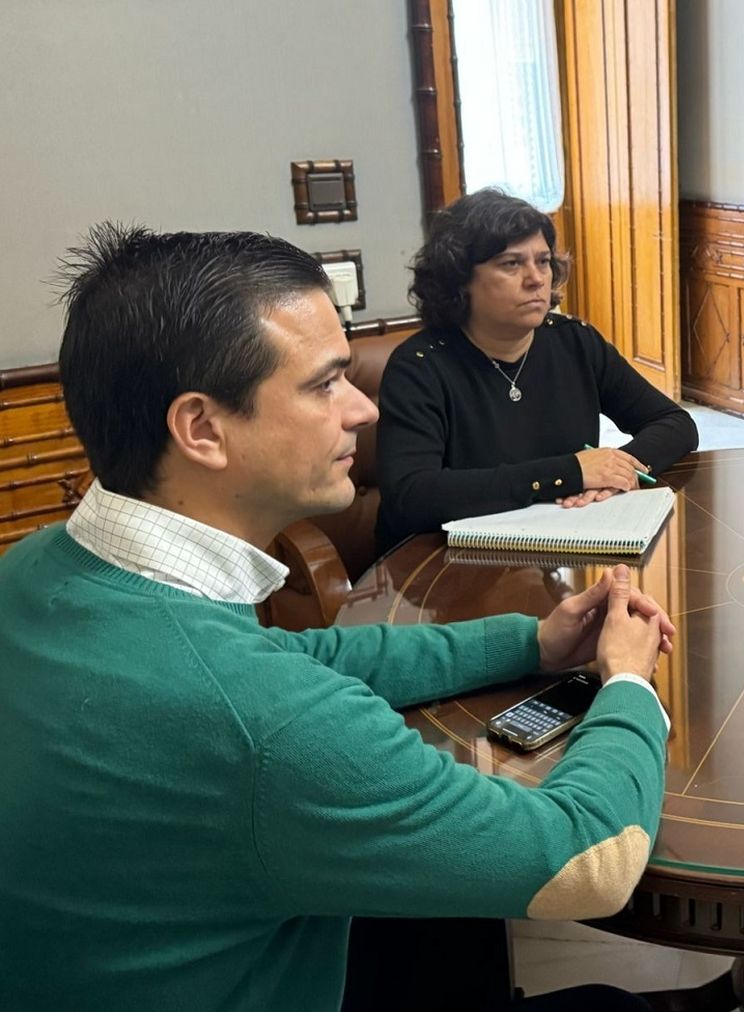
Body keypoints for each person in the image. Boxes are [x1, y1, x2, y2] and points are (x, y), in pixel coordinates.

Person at [0, 225, 676, 1012]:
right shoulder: (270, 723)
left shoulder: (34, 566)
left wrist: (533, 640)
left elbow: (290, 657)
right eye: (326, 384)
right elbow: (590, 862)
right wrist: (628, 683)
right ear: (202, 429)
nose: (362, 409)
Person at [376, 189, 698, 551]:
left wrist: (615, 472)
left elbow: (675, 424)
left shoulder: (574, 341)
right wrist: (569, 473)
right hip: (442, 562)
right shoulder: (419, 366)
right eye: (511, 264)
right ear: (459, 279)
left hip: (554, 551)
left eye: (543, 262)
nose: (536, 279)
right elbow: (411, 495)